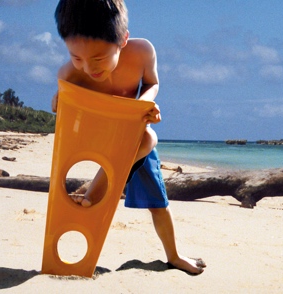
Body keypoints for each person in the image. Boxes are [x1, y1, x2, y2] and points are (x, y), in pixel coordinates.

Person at [51, 0, 206, 275]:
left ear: (123, 39)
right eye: (76, 58)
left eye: (98, 58)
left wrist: (145, 105)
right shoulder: (69, 74)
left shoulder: (142, 53)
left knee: (158, 199)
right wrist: (59, 101)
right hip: (98, 138)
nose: (87, 68)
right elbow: (64, 109)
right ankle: (92, 196)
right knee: (146, 140)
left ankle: (174, 255)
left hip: (133, 134)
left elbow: (152, 83)